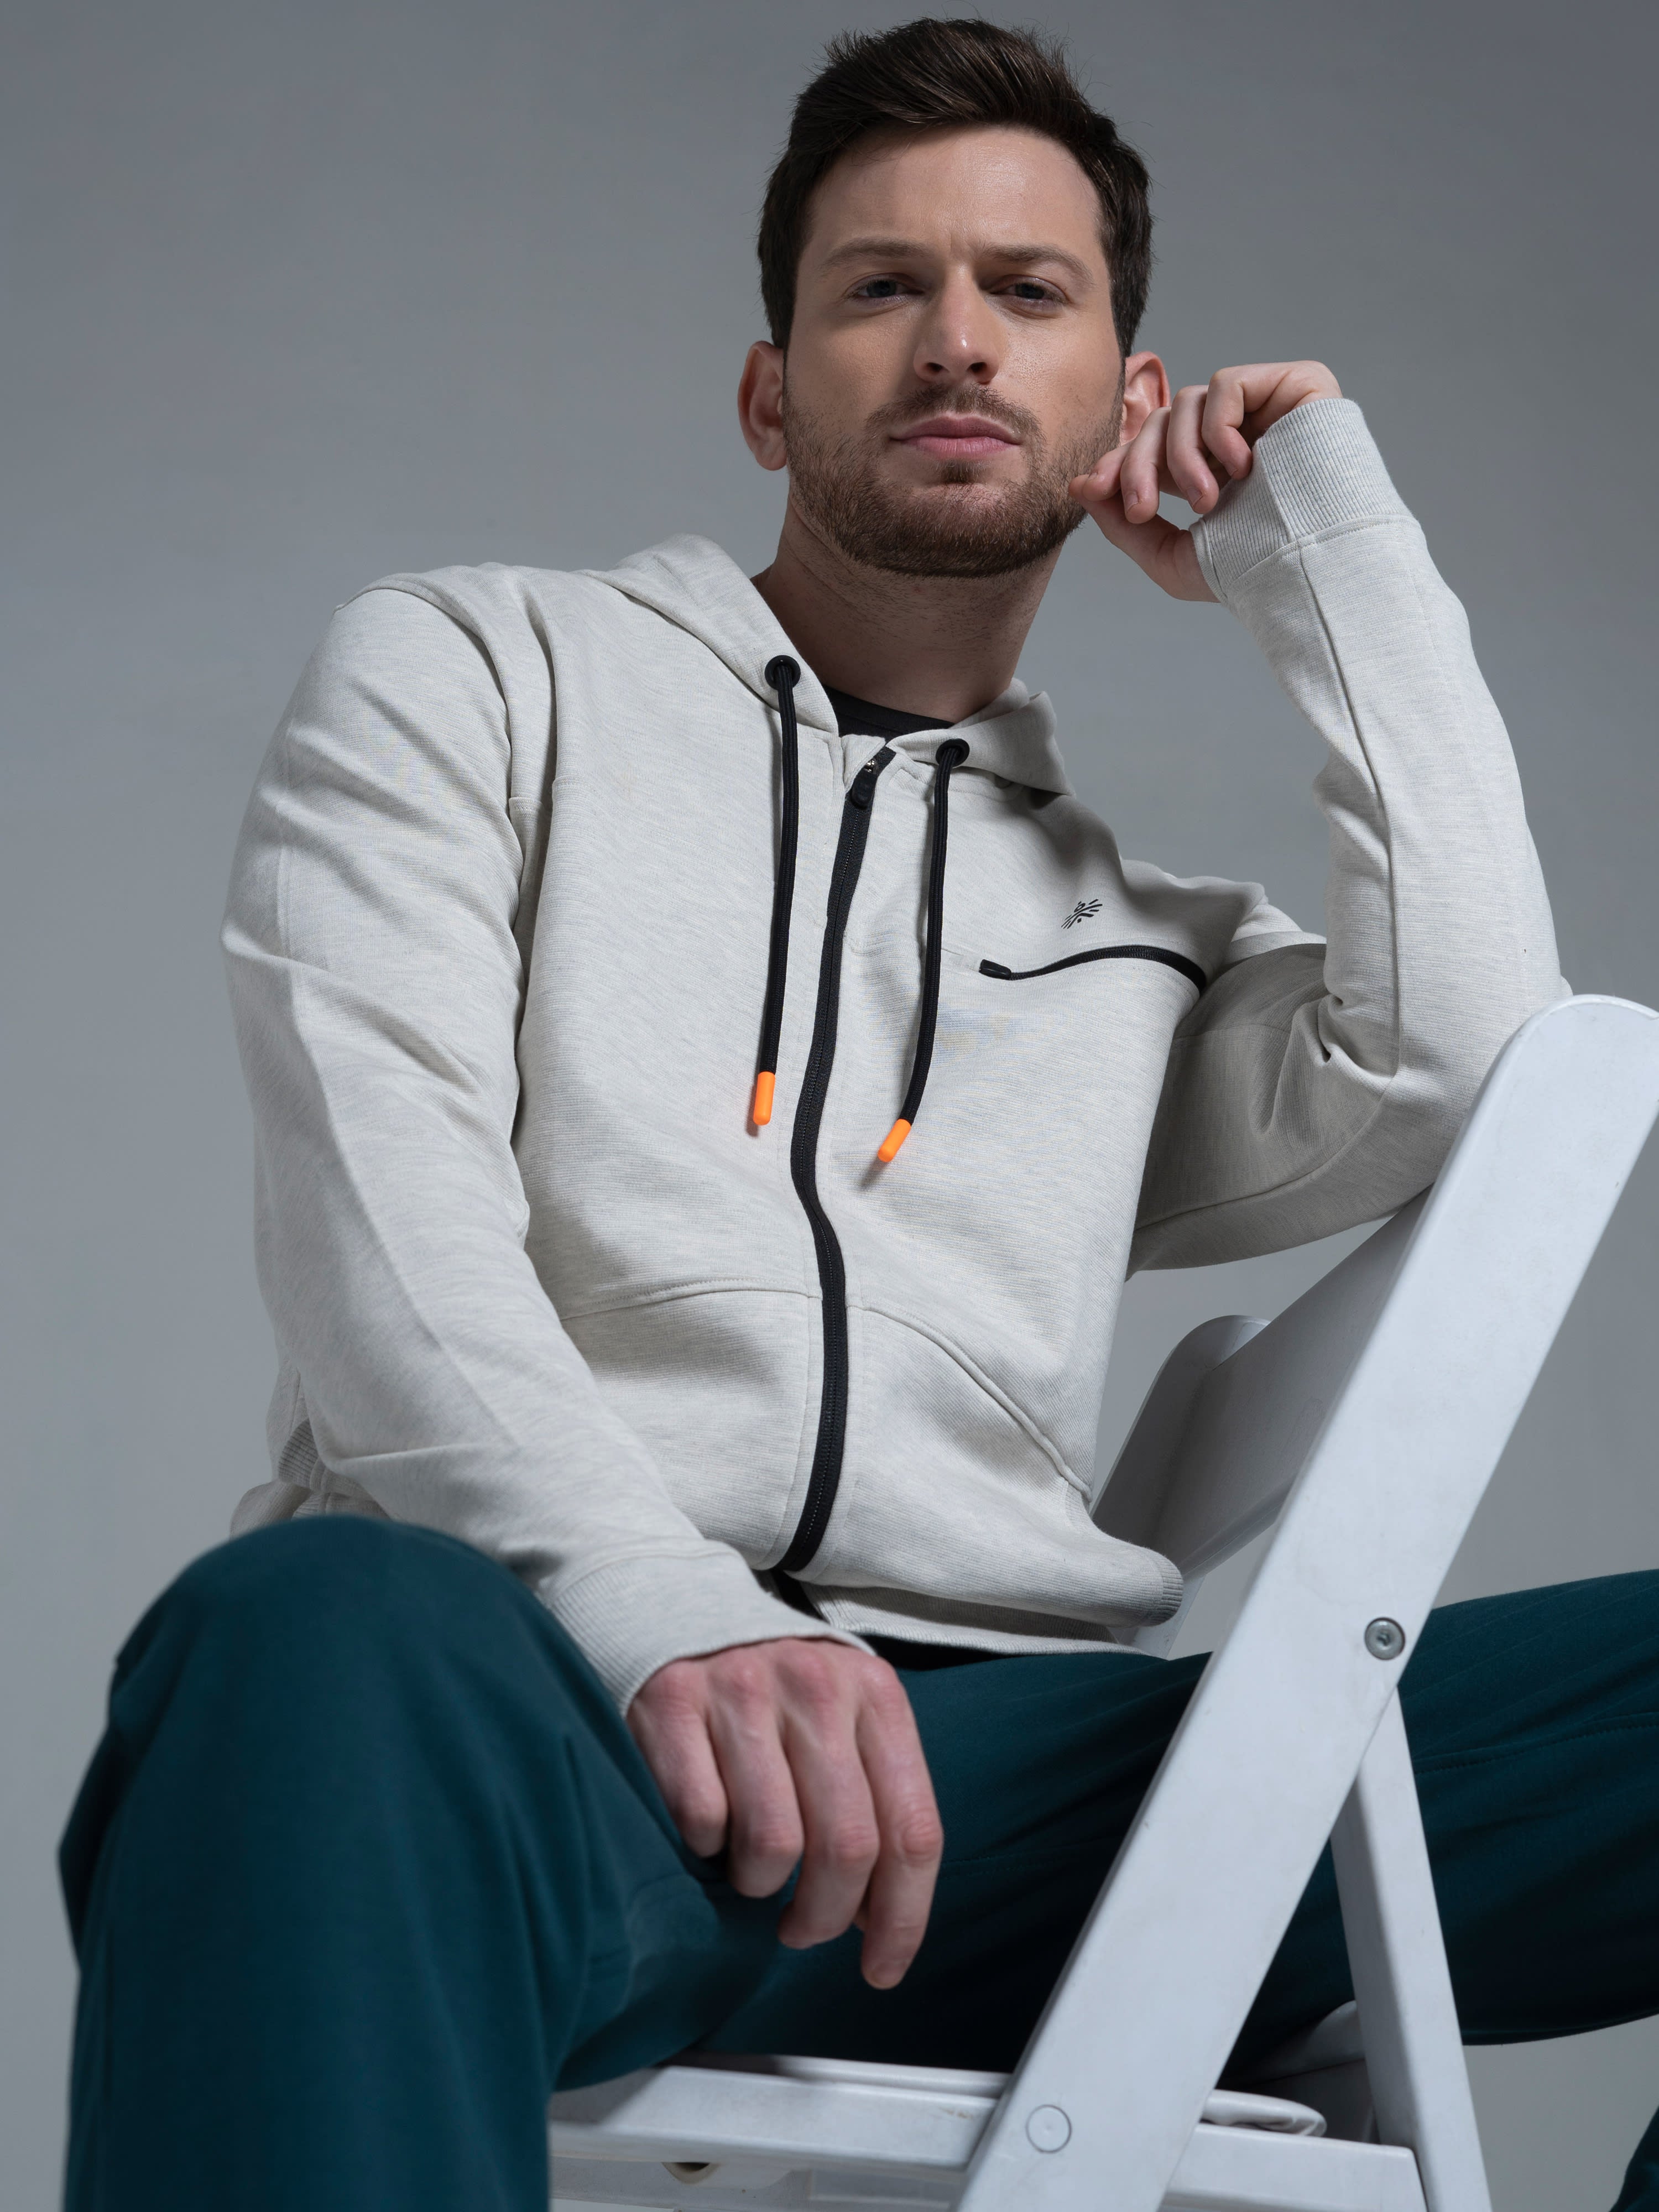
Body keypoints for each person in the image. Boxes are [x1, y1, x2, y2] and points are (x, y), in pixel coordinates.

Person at [60, 18, 1659, 2210]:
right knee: (302, 1632)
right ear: (770, 391)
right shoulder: (477, 677)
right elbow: (381, 1215)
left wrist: (1325, 548)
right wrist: (670, 1608)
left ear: (1121, 401)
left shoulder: (1147, 944)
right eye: (882, 285)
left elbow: (1468, 1051)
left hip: (1012, 1809)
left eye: (1029, 292)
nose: (957, 340)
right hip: (548, 1726)